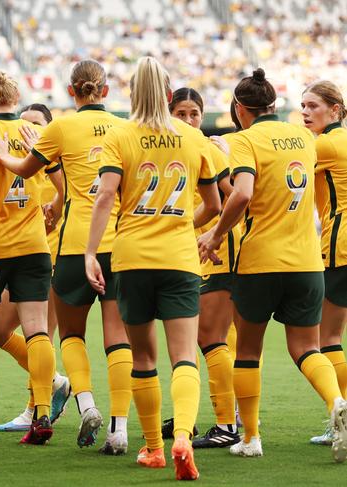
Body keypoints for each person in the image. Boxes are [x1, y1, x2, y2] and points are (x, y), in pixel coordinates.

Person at [0, 60, 134, 455]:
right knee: (118, 339)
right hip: (121, 244)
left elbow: (25, 167)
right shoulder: (125, 129)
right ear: (105, 90)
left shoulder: (61, 128)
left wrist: (1, 150)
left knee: (71, 335)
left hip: (75, 246)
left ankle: (86, 403)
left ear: (71, 91)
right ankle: (119, 431)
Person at [198, 68, 347, 463]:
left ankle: (250, 437)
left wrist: (213, 237)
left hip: (260, 260)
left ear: (238, 108)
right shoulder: (305, 138)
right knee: (307, 347)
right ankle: (336, 402)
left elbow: (242, 193)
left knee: (247, 350)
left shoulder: (244, 140)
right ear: (275, 106)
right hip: (307, 262)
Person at [85, 57, 221, 479]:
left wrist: (91, 252)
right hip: (179, 257)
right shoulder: (191, 135)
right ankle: (183, 434)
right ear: (167, 95)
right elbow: (214, 205)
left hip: (132, 256)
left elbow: (106, 196)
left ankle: (153, 448)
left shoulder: (120, 136)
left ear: (130, 93)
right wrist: (182, 226)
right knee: (185, 357)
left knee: (143, 356)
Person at [0, 72, 61, 445]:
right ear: (16, 97)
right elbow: (62, 187)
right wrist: (50, 208)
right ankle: (42, 414)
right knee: (37, 331)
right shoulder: (35, 133)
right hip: (34, 245)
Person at [162, 87, 241, 448]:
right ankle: (189, 418)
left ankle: (227, 423)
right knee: (192, 338)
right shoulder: (166, 148)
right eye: (182, 114)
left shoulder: (208, 147)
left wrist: (210, 233)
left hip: (210, 249)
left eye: (195, 113)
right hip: (183, 252)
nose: (190, 120)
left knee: (211, 337)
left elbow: (233, 192)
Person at [0, 103, 71, 433]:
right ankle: (54, 381)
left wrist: (55, 206)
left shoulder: (59, 166)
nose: (28, 132)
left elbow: (71, 198)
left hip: (51, 258)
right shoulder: (21, 164)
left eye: (36, 125)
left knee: (41, 335)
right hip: (20, 254)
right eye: (24, 125)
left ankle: (33, 409)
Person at [301, 80, 347, 445]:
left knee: (323, 337)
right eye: (302, 106)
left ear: (335, 110)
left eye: (313, 106)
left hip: (340, 246)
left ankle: (342, 417)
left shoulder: (326, 144)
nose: (305, 112)